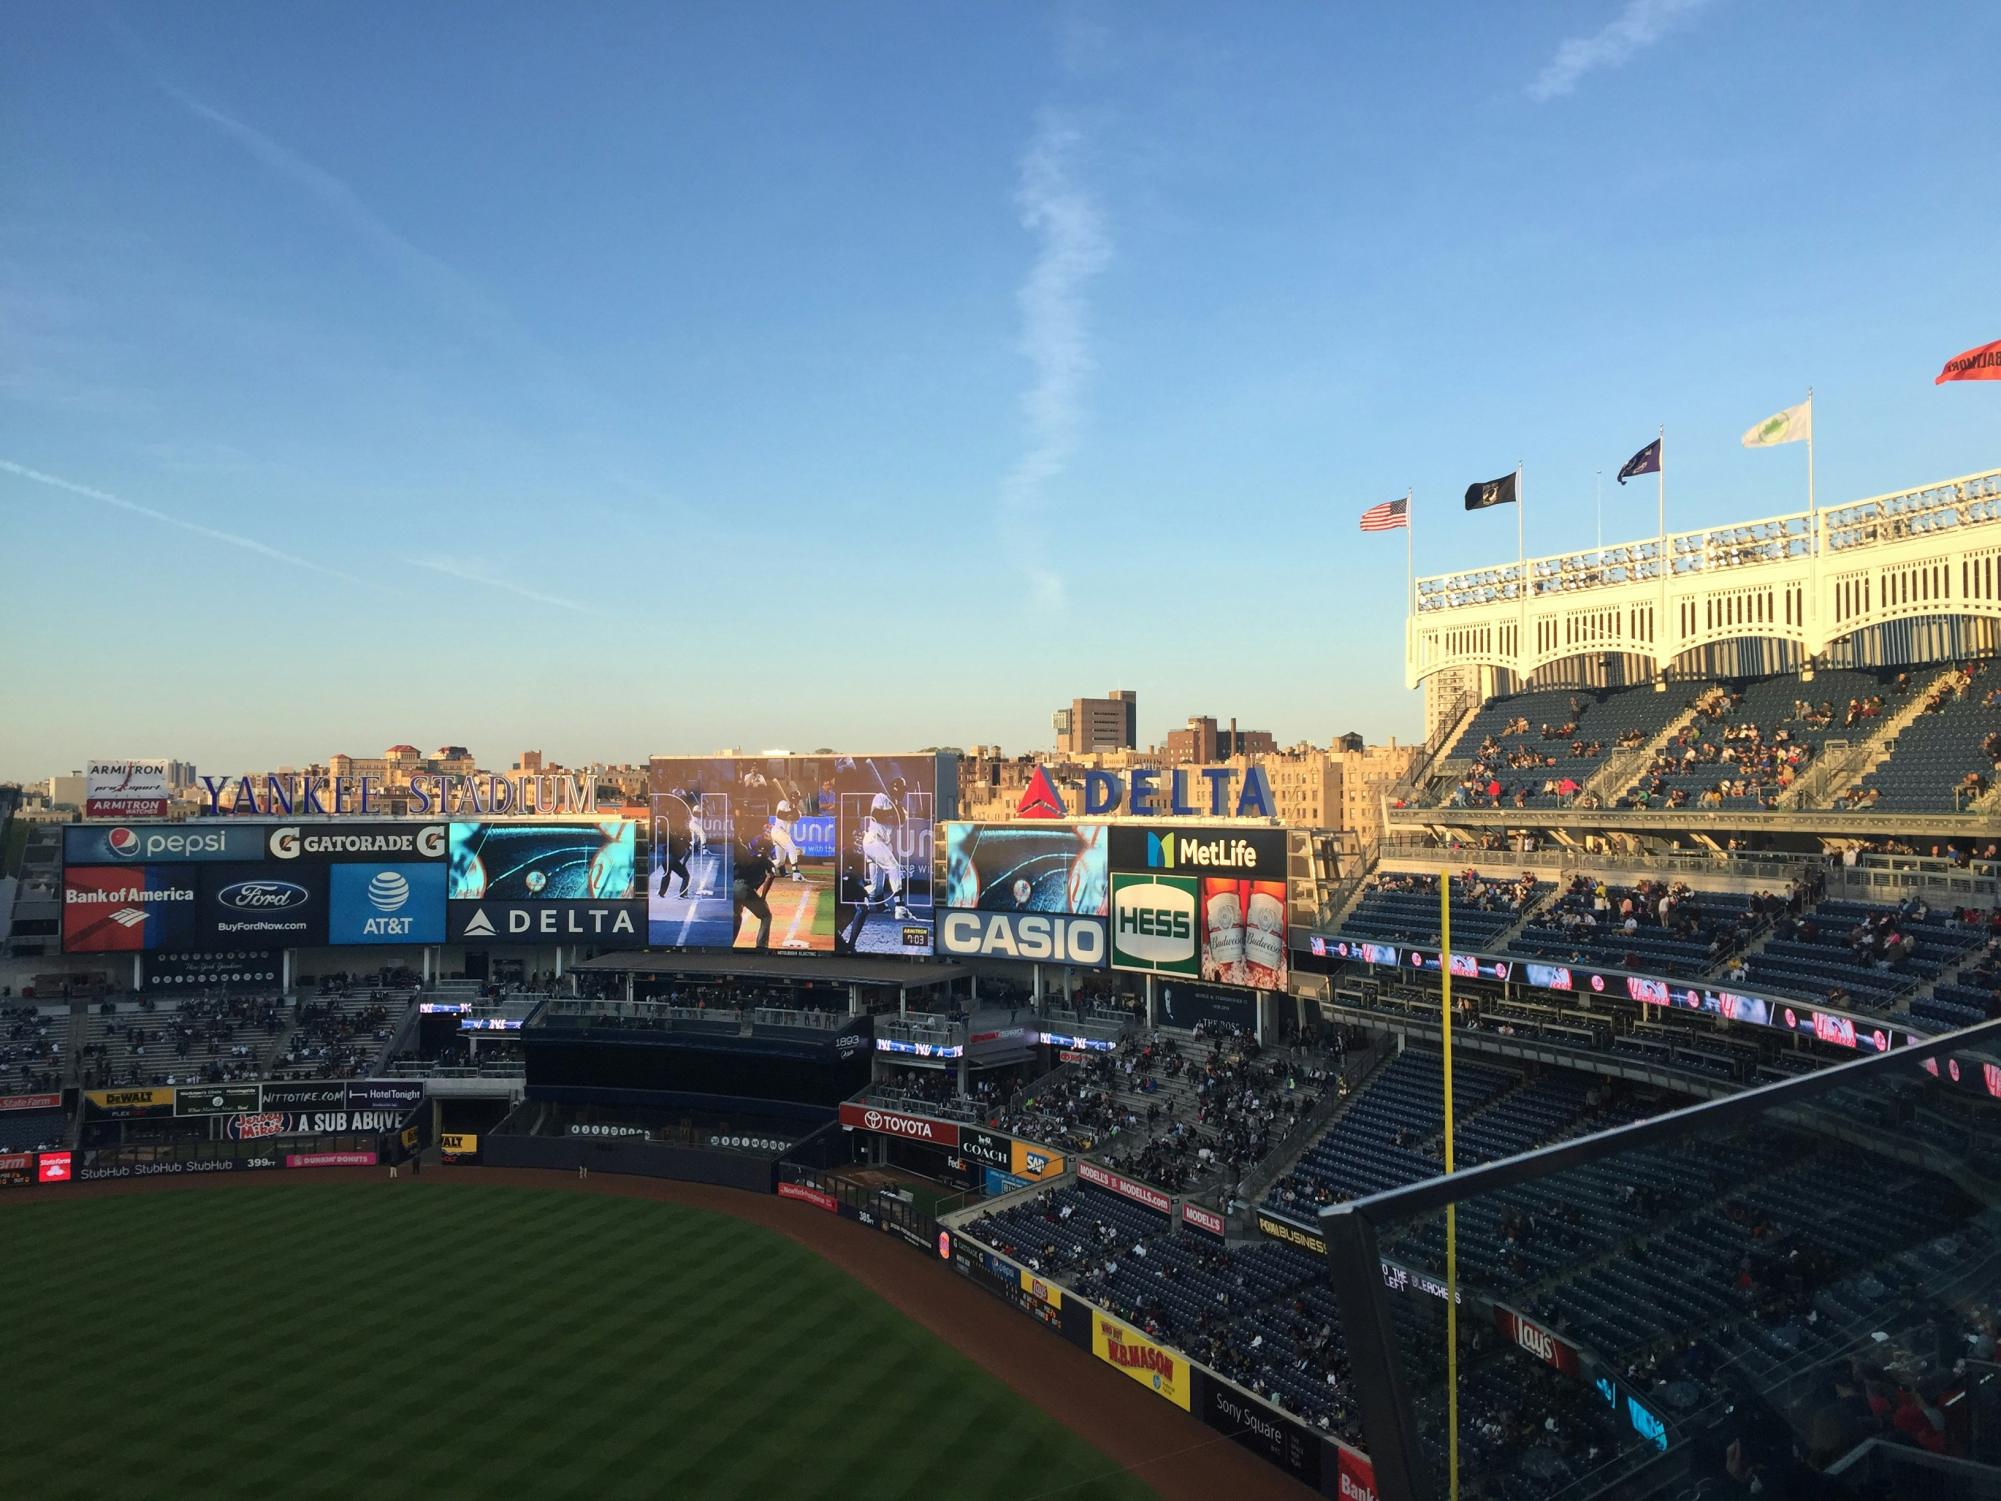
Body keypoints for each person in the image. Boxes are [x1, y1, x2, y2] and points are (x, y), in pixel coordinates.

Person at [730, 814, 780, 949]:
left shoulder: (747, 857)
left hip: (732, 889)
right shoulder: (767, 862)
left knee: (736, 915)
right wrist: (763, 897)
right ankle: (761, 947)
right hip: (744, 890)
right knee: (766, 916)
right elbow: (771, 876)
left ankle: (729, 945)